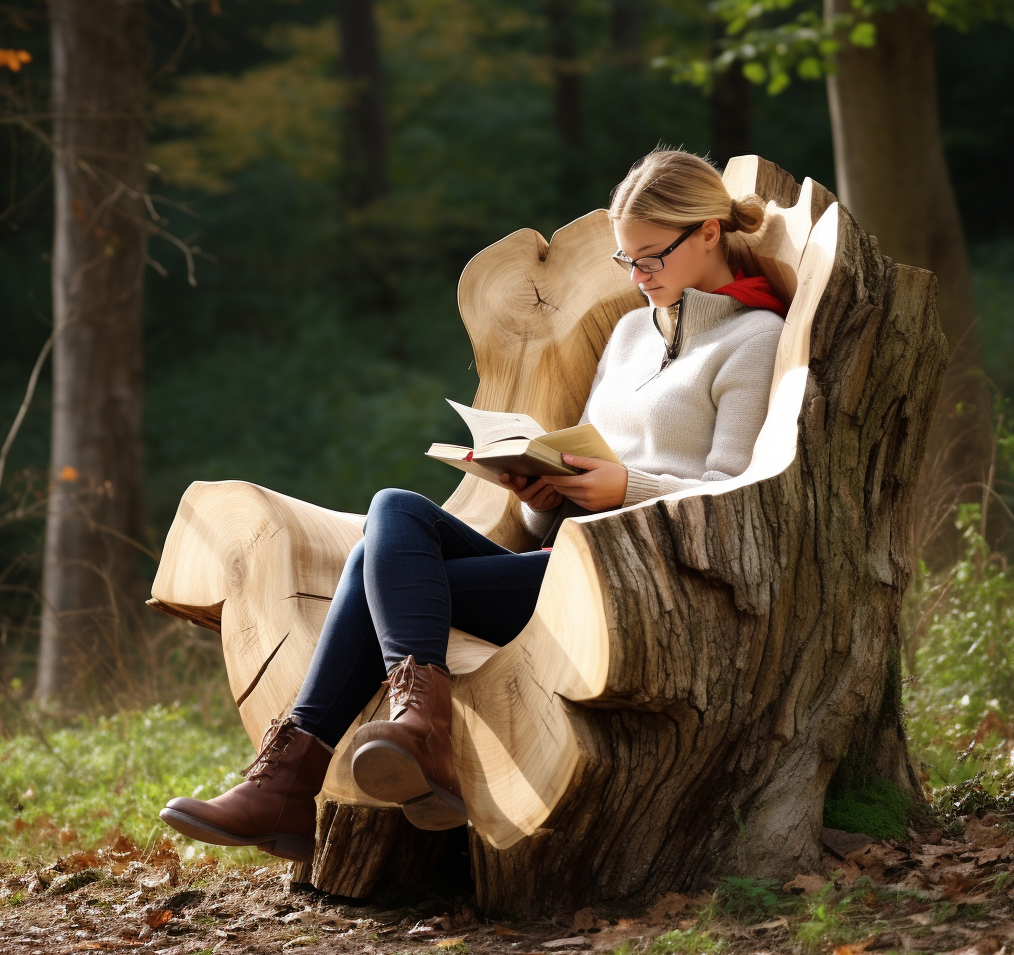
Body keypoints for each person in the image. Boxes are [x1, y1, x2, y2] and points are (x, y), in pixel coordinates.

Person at [159, 148, 788, 862]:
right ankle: (407, 736)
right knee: (394, 511)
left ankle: (296, 782)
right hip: (561, 559)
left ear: (708, 231)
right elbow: (574, 492)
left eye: (651, 257)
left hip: (644, 579)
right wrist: (539, 496)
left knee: (381, 576)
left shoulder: (755, 338)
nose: (638, 277)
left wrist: (627, 490)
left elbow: (736, 498)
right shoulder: (627, 335)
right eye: (625, 261)